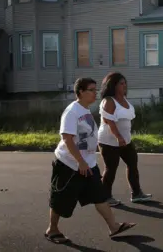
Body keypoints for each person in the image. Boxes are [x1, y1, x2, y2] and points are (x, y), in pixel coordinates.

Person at [45, 78, 136, 244]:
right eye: (91, 90)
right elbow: (67, 138)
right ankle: (52, 229)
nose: (95, 93)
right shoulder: (72, 111)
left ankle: (113, 226)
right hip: (69, 164)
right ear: (80, 92)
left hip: (88, 163)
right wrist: (80, 161)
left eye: (95, 90)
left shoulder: (85, 110)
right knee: (61, 199)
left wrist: (86, 161)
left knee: (99, 195)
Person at [98, 72, 152, 207]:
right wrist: (119, 137)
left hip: (126, 140)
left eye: (125, 83)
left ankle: (137, 194)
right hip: (109, 141)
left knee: (132, 165)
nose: (124, 86)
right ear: (113, 85)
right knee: (111, 168)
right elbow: (109, 121)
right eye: (121, 83)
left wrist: (124, 138)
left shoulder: (124, 100)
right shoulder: (109, 101)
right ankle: (105, 197)